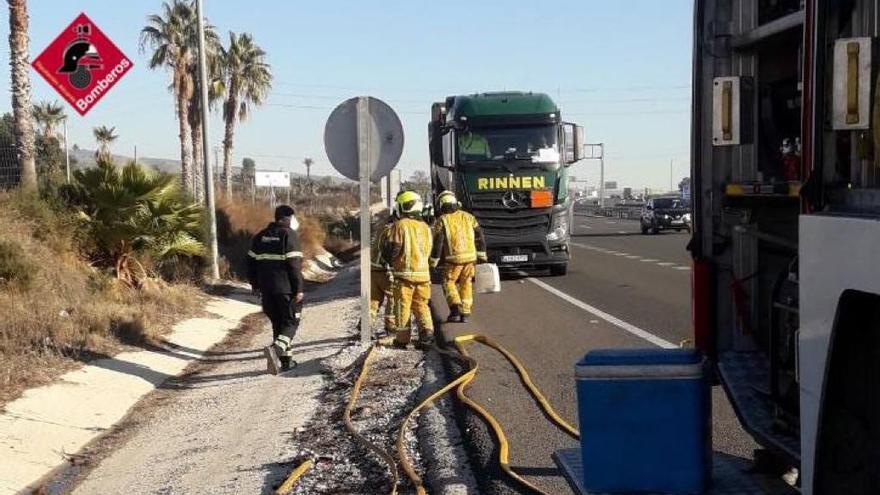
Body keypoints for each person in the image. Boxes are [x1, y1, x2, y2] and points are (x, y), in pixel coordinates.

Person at [247, 205, 304, 375]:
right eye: (292, 217)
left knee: (278, 324)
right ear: (287, 218)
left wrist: (255, 285)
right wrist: (299, 288)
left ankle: (286, 362)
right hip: (286, 289)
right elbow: (294, 266)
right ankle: (276, 350)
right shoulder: (289, 235)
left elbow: (250, 263)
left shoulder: (260, 236)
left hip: (266, 289)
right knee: (291, 322)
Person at [384, 191, 434, 348]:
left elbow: (393, 248)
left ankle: (402, 339)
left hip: (405, 276)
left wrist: (388, 261)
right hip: (424, 275)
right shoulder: (425, 227)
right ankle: (427, 334)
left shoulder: (400, 225)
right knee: (422, 306)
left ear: (403, 207)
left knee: (402, 307)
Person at [429, 190, 487, 323]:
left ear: (441, 205)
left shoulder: (442, 220)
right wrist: (482, 256)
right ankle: (465, 313)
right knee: (466, 283)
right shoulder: (469, 217)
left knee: (448, 282)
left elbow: (438, 243)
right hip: (470, 258)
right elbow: (480, 237)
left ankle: (455, 310)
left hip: (453, 259)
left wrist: (433, 262)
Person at [369, 215, 396, 336]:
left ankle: (365, 325)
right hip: (384, 270)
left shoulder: (382, 228)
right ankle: (391, 325)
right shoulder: (392, 230)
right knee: (393, 296)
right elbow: (390, 252)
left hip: (373, 268)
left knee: (374, 300)